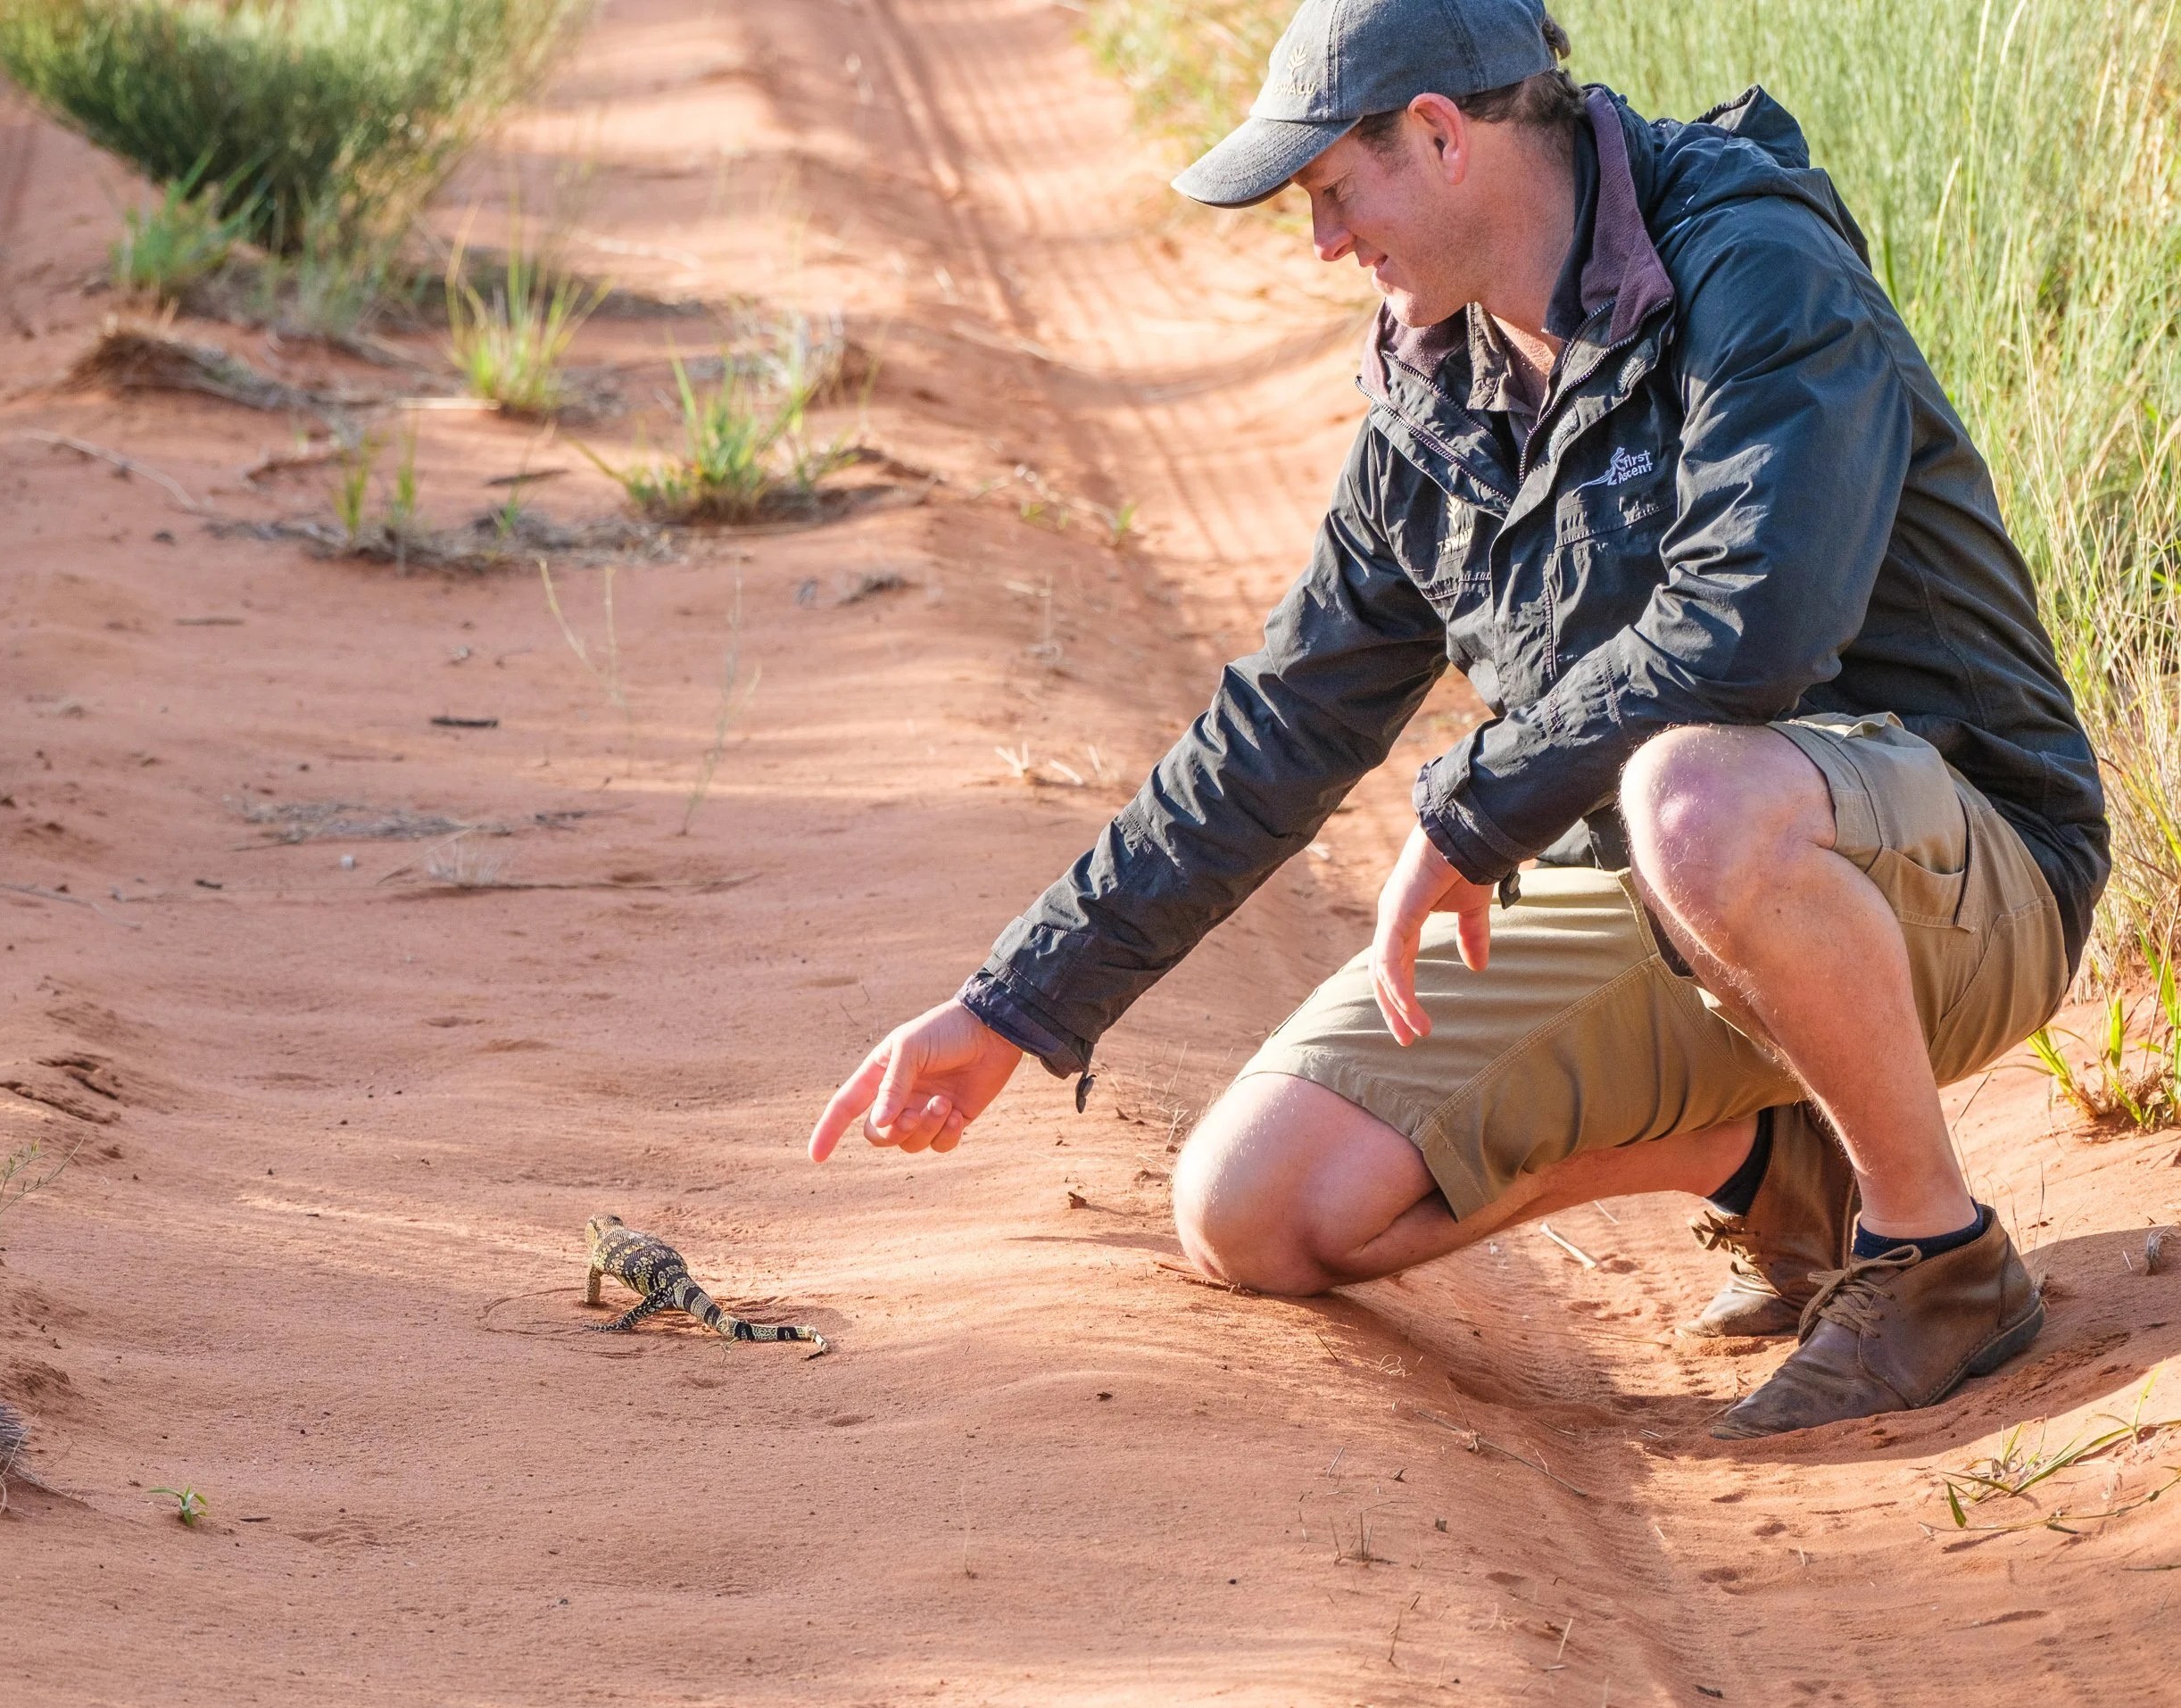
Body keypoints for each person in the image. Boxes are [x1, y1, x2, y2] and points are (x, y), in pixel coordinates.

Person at [808, 0, 2108, 1438]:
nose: (1321, 244)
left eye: (1330, 193)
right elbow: (1274, 734)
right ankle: (1784, 1170)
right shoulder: (1435, 393)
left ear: (1438, 135)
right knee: (1255, 1209)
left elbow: (1752, 632)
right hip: (1678, 898)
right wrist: (1015, 1006)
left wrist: (1472, 806)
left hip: (1958, 869)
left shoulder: (1756, 266)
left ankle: (1936, 1255)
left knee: (1695, 793)